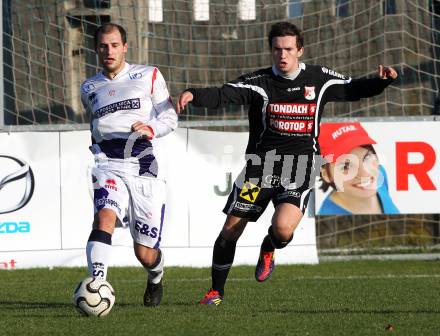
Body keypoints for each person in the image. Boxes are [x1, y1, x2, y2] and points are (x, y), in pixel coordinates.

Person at [177, 21, 398, 305]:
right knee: (231, 229)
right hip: (261, 169)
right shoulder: (259, 83)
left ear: (300, 51)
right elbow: (224, 93)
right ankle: (216, 292)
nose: (282, 55)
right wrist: (194, 93)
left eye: (288, 49)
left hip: (300, 167)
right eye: (277, 50)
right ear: (271, 51)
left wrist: (382, 82)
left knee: (282, 229)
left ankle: (269, 247)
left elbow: (354, 88)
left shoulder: (320, 79)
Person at [80, 23, 178, 307]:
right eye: (103, 46)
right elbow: (95, 127)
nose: (108, 51)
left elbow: (169, 118)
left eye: (114, 45)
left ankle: (156, 276)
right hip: (107, 163)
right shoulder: (90, 86)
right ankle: (96, 284)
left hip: (143, 165)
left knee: (144, 253)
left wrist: (150, 128)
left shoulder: (148, 75)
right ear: (96, 49)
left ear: (125, 47)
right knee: (104, 218)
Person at [317, 122, 399, 214]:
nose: (365, 173)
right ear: (326, 175)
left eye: (367, 158)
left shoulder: (380, 174)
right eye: (346, 166)